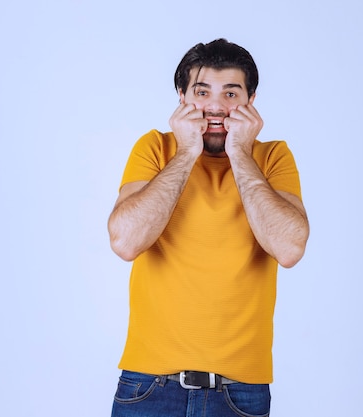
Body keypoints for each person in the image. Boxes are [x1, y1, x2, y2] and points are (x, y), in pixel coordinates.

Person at [107, 38, 309, 417]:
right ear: (181, 96)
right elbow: (125, 241)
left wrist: (240, 153)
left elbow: (289, 248)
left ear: (251, 100)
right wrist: (186, 153)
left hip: (240, 392)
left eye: (231, 93)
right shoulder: (156, 149)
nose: (216, 106)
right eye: (202, 92)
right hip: (149, 385)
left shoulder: (272, 157)